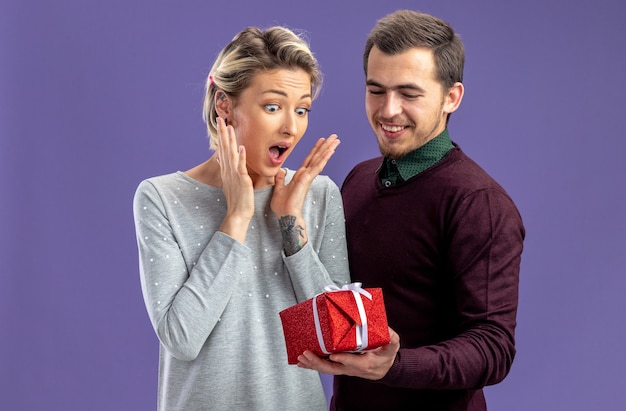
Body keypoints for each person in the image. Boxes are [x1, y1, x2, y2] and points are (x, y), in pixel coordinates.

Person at [297, 10, 525, 411]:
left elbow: (492, 346)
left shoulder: (479, 202)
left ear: (451, 97)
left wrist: (396, 365)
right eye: (376, 90)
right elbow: (333, 297)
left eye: (409, 93)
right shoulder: (357, 179)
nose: (388, 110)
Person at [133, 26, 350, 410]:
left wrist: (291, 227)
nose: (291, 126)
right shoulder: (163, 198)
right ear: (224, 106)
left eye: (302, 109)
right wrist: (237, 217)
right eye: (272, 106)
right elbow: (182, 337)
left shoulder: (318, 195)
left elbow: (336, 342)